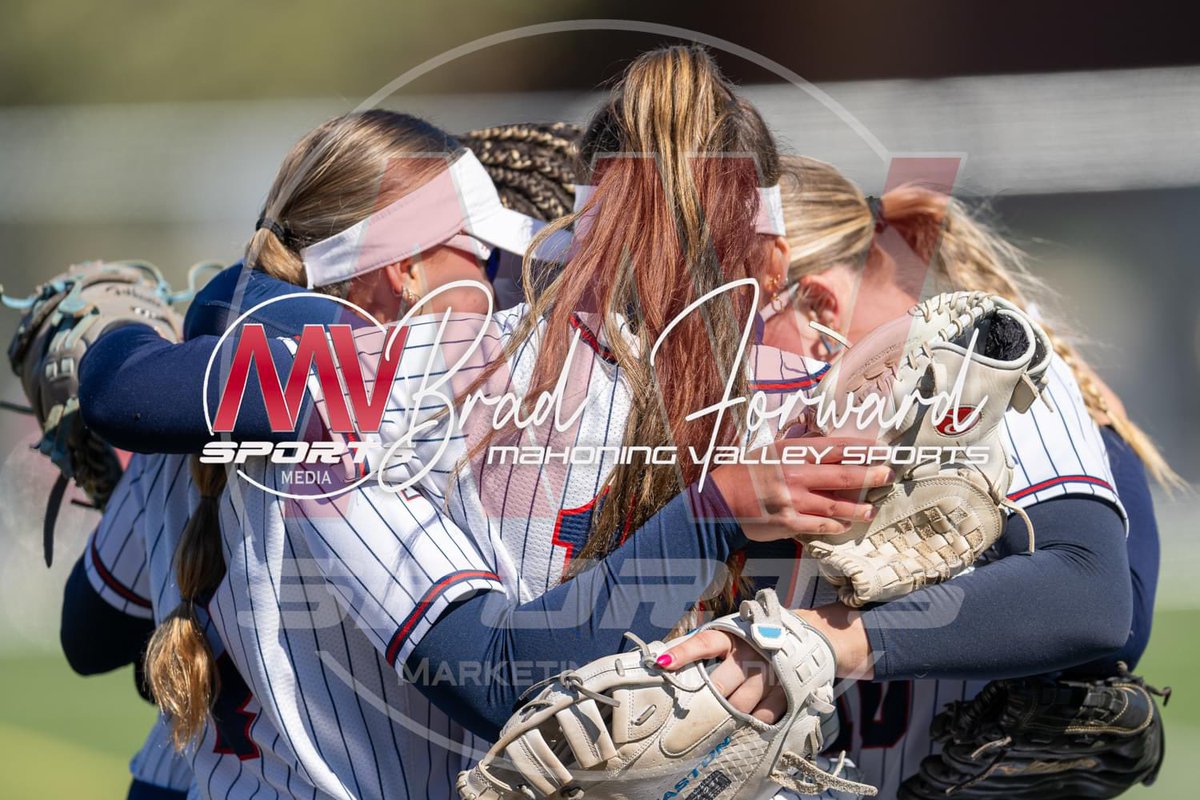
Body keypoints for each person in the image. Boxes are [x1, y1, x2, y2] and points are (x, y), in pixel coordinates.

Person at [72, 71, 888, 799]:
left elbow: (92, 622)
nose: (507, 273)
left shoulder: (389, 371)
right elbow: (502, 675)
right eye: (485, 252)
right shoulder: (832, 392)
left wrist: (144, 332)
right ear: (775, 261)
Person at [659, 155, 1171, 796]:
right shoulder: (747, 439)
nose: (708, 372)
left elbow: (1091, 598)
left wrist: (819, 640)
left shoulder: (982, 373)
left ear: (817, 307)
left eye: (729, 340)